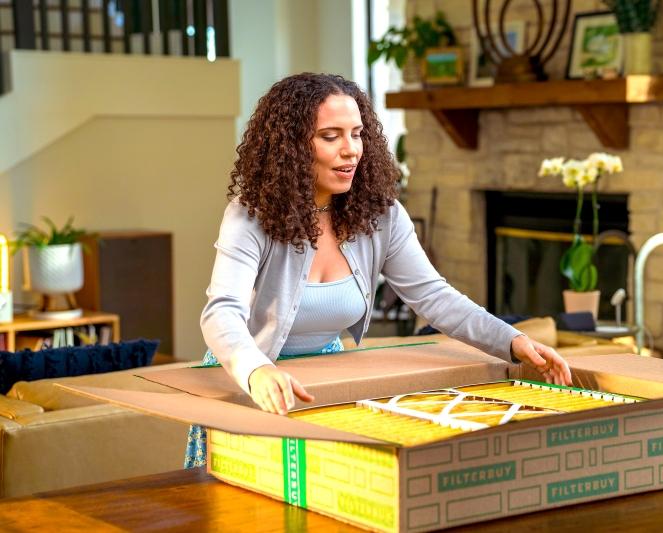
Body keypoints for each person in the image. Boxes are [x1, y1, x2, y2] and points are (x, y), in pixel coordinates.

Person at [185, 73, 571, 467]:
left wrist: (512, 341)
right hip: (246, 379)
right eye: (330, 136)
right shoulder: (250, 215)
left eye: (357, 134)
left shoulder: (381, 216)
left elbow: (434, 297)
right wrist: (257, 372)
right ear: (291, 147)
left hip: (328, 381)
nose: (351, 150)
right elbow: (222, 313)